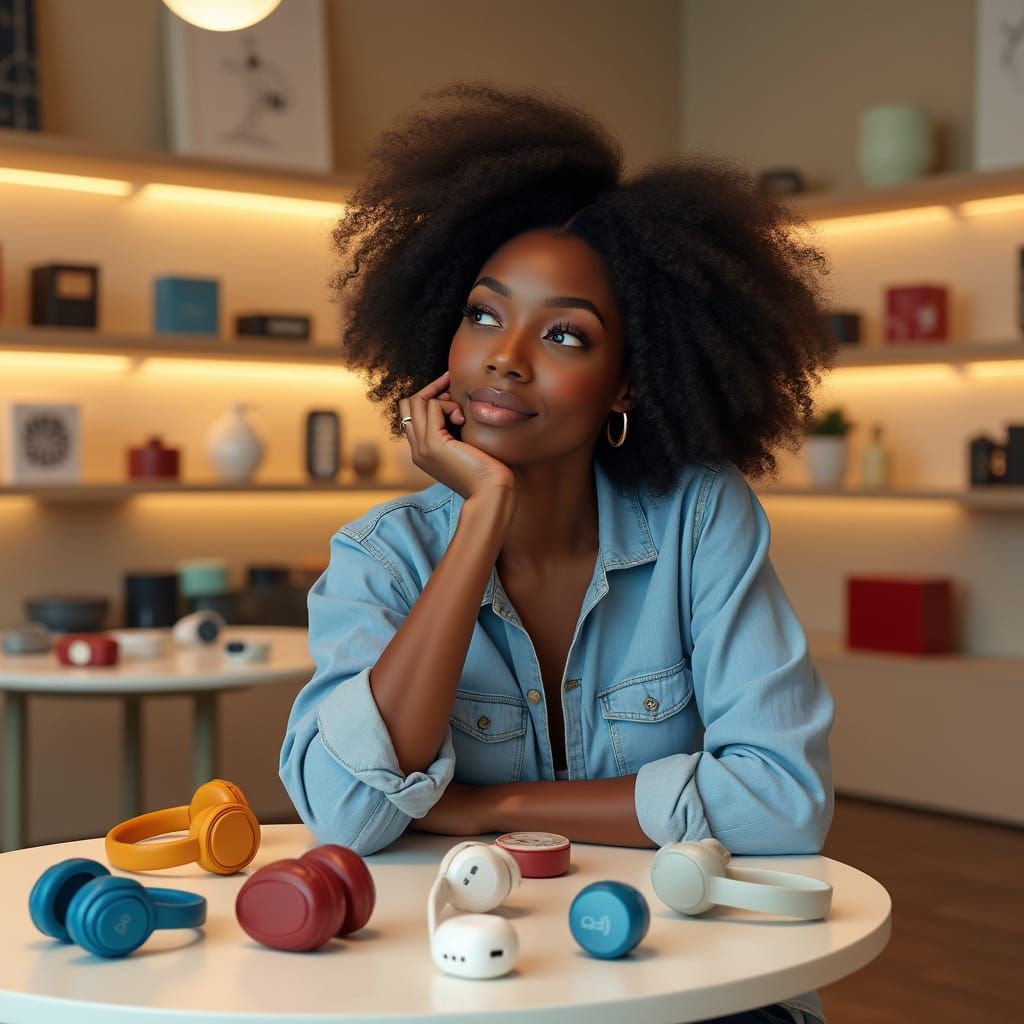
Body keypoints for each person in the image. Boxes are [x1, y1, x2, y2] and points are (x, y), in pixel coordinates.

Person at [280, 82, 838, 1024]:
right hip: (472, 985)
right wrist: (481, 517)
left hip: (691, 983)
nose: (506, 357)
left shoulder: (701, 520)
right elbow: (346, 813)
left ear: (626, 384)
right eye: (484, 315)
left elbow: (784, 801)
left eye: (565, 334)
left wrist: (491, 810)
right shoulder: (381, 556)